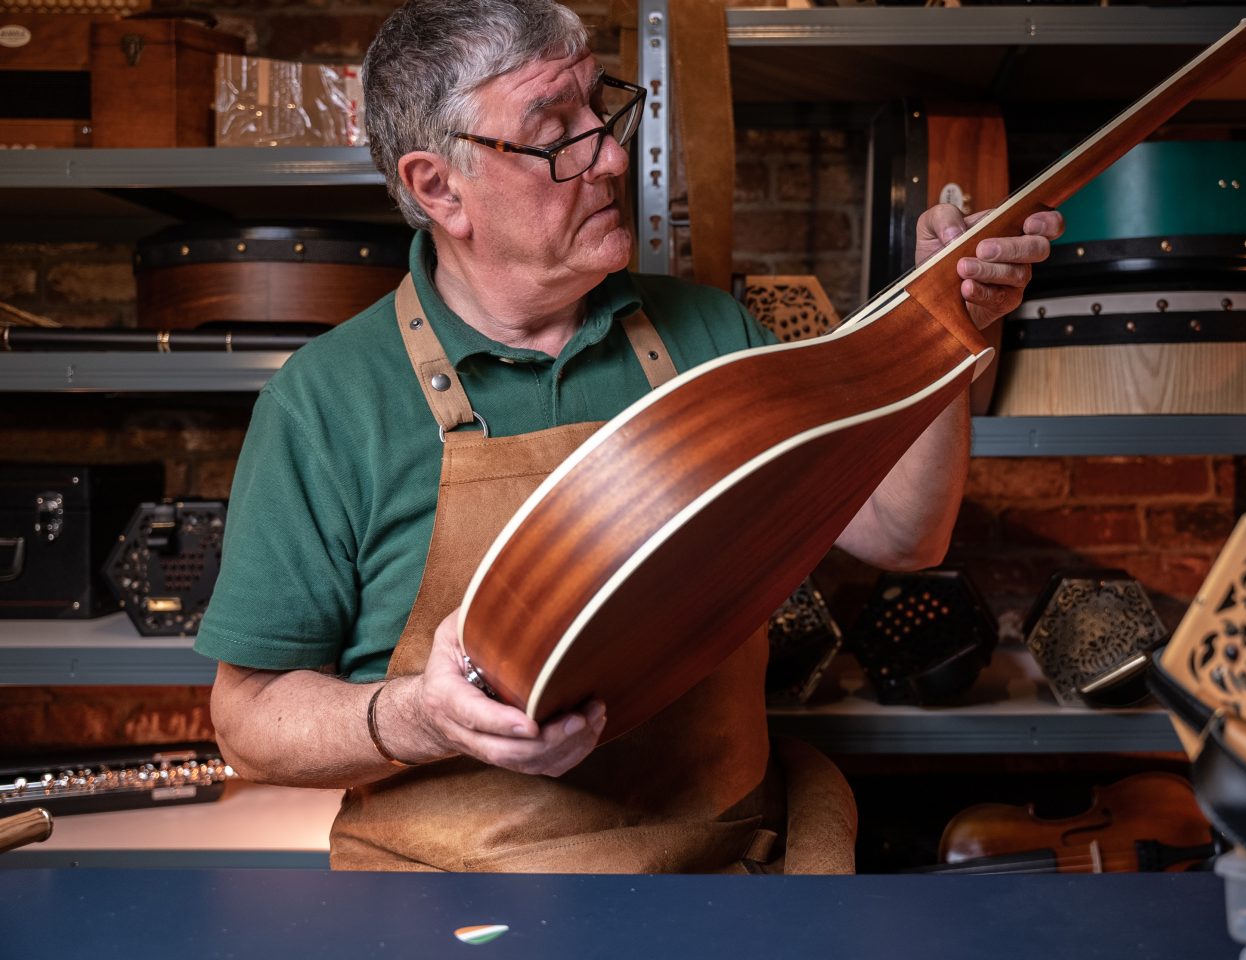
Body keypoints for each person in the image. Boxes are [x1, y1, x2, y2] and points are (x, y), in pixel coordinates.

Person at [195, 0, 1063, 873]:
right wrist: (418, 716)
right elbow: (249, 720)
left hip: (722, 871)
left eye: (598, 109)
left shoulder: (709, 336)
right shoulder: (325, 403)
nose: (611, 156)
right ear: (439, 187)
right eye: (556, 133)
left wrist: (951, 321)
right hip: (446, 895)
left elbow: (903, 534)